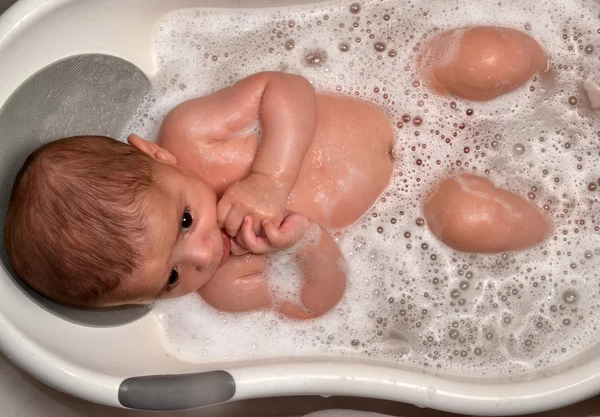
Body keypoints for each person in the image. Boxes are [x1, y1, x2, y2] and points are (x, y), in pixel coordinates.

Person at [4, 71, 395, 319]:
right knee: (460, 219)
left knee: (457, 58)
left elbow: (286, 87)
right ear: (144, 301)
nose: (205, 255)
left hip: (393, 87)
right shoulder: (228, 287)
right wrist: (305, 243)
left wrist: (270, 179)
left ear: (155, 155)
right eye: (171, 278)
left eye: (185, 222)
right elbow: (318, 301)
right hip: (402, 206)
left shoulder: (192, 132)